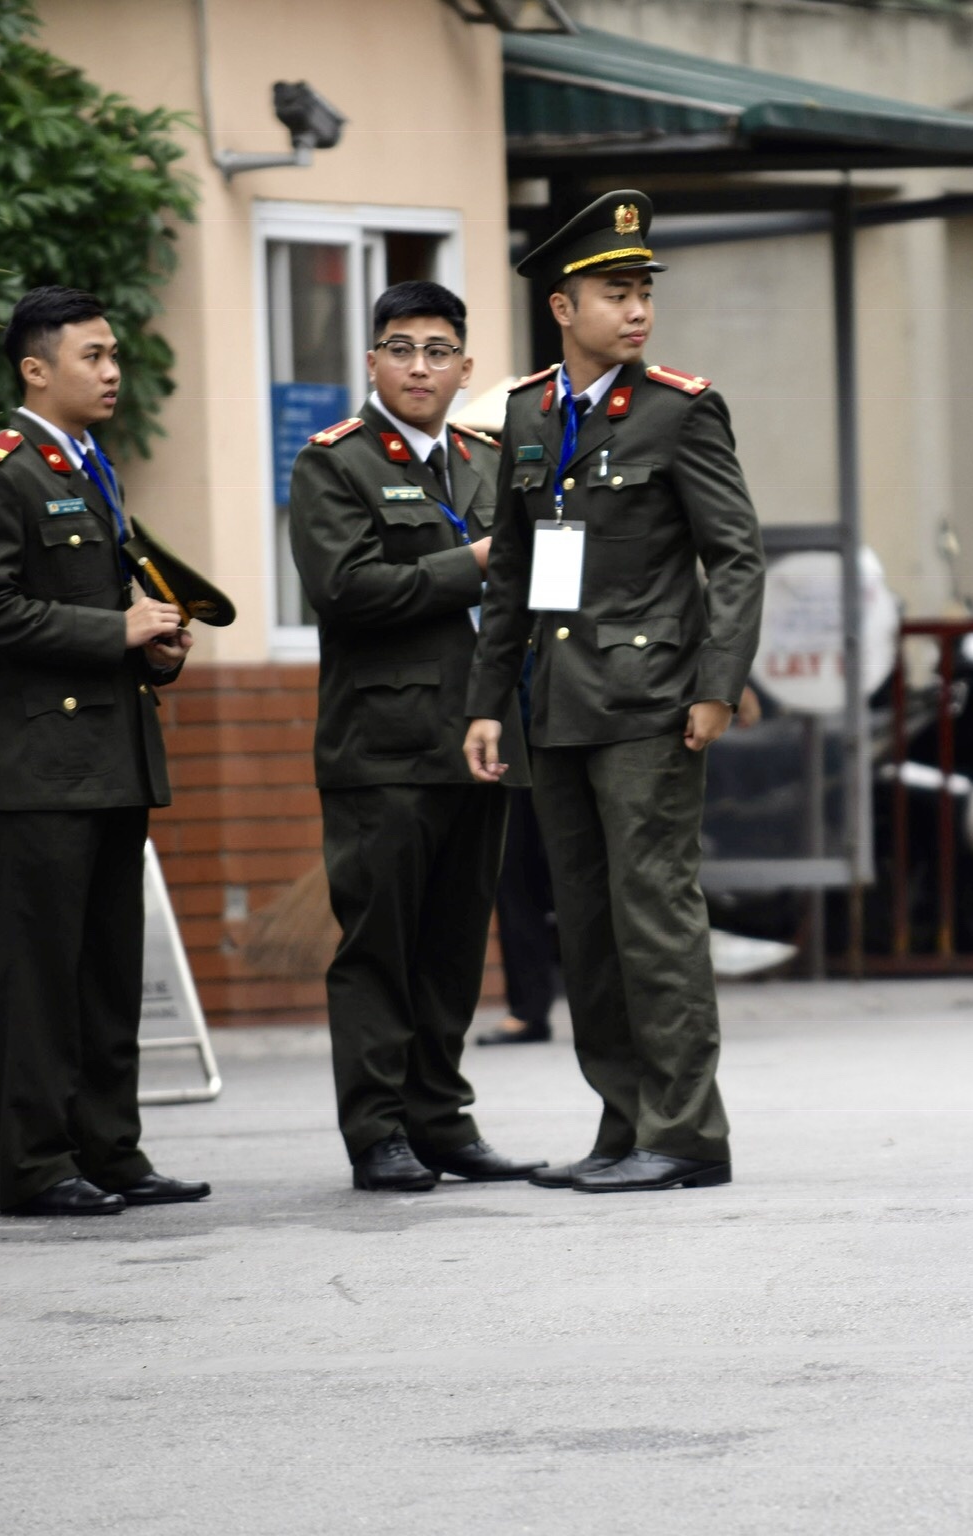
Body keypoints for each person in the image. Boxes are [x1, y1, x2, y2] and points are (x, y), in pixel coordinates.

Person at [464, 189, 765, 1193]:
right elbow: (511, 569)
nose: (636, 310)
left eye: (642, 291)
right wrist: (484, 700)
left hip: (649, 703)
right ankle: (623, 1118)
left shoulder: (680, 408)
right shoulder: (526, 413)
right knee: (585, 926)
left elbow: (736, 558)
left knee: (654, 918)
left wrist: (717, 684)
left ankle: (684, 1134)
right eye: (614, 292)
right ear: (563, 306)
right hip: (553, 704)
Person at [0, 285, 208, 1216]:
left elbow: (112, 613)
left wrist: (156, 644)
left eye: (113, 356)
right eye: (92, 356)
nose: (111, 372)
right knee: (39, 979)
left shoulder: (92, 466)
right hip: (38, 769)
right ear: (35, 369)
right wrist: (116, 630)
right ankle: (36, 1166)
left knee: (105, 975)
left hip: (109, 758)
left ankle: (110, 1150)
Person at [287, 279, 541, 1192]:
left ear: (465, 367)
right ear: (372, 361)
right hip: (384, 745)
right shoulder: (336, 462)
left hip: (482, 739)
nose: (420, 366)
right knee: (379, 946)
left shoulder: (483, 458)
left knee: (452, 945)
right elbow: (346, 588)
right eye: (401, 348)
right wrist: (469, 564)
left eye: (439, 351)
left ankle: (442, 1121)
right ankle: (378, 1131)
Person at [479, 787, 563, 1046]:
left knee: (582, 862)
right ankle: (528, 1008)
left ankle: (612, 1009)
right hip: (511, 755)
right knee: (513, 861)